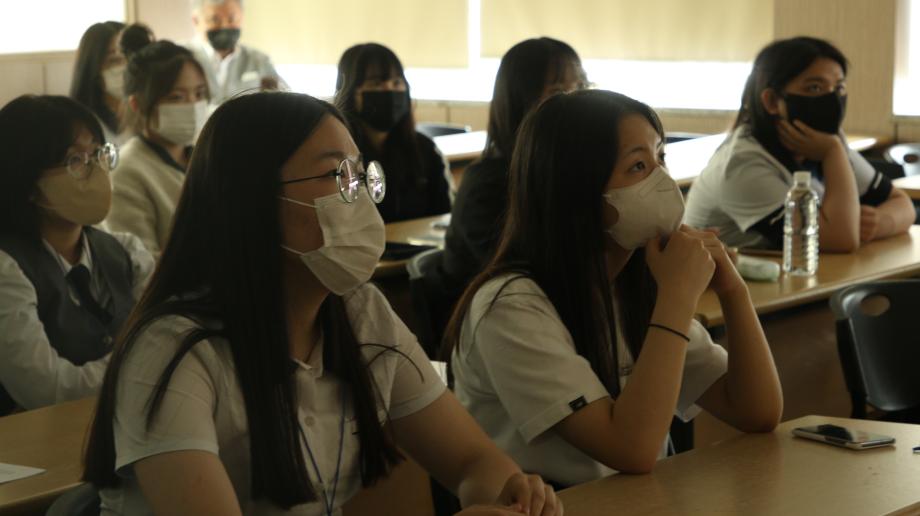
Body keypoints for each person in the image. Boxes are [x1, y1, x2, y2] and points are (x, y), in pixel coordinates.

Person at [83, 92, 562, 516]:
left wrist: (513, 497)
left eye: (361, 174)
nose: (359, 195)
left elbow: (472, 460)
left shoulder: (360, 312)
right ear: (252, 199)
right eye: (338, 175)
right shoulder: (172, 350)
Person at [447, 90, 783, 488]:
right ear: (576, 187)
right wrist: (678, 296)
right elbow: (631, 450)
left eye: (660, 158)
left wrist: (733, 292)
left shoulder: (633, 286)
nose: (662, 180)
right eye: (638, 166)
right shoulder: (510, 308)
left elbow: (757, 411)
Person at [684, 36, 915, 251]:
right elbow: (841, 239)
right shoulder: (742, 164)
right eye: (814, 88)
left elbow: (902, 204)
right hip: (734, 280)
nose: (832, 99)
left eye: (839, 87)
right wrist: (833, 153)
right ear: (772, 101)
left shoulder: (825, 143)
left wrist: (880, 222)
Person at [0, 95, 153, 415]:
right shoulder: (7, 268)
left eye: (98, 153)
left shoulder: (126, 252)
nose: (96, 170)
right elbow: (48, 390)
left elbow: (164, 340)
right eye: (75, 160)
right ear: (27, 181)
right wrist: (136, 367)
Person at [433, 37, 586, 300]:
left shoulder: (570, 170)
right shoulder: (486, 186)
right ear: (520, 102)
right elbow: (523, 276)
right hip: (499, 313)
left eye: (581, 88)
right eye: (559, 92)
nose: (578, 101)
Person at [105, 41, 210, 255]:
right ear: (138, 104)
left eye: (199, 94)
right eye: (176, 97)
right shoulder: (127, 172)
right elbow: (141, 264)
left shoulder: (207, 157)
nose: (192, 106)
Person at [334, 43, 452, 223]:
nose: (389, 90)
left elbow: (443, 215)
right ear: (349, 91)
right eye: (376, 83)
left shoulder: (424, 150)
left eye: (397, 82)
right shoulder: (337, 156)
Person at [187, 0, 283, 105]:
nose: (224, 26)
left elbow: (285, 101)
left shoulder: (259, 60)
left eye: (231, 19)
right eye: (215, 20)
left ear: (241, 17)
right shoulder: (181, 57)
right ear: (196, 21)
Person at [70, 21, 128, 145]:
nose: (125, 67)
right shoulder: (81, 125)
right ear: (93, 66)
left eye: (130, 58)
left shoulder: (146, 118)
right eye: (114, 60)